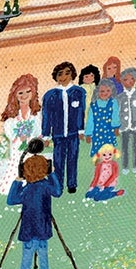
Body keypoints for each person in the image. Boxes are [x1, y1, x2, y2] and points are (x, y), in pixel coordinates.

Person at [7, 149, 64, 269]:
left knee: (25, 265)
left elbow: (11, 200)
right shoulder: (45, 186)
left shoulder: (27, 189)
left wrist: (18, 181)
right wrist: (52, 174)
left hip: (28, 233)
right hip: (43, 231)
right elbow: (58, 192)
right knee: (44, 264)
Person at [41, 61, 86, 194]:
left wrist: (81, 129)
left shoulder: (79, 92)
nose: (64, 77)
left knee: (73, 157)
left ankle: (72, 183)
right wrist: (46, 135)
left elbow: (80, 112)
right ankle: (58, 184)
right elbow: (47, 116)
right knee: (58, 160)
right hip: (58, 134)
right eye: (60, 74)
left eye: (67, 73)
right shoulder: (50, 95)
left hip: (73, 133)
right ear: (56, 77)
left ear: (72, 75)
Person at [0, 73, 42, 196]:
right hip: (17, 145)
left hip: (32, 144)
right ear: (15, 95)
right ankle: (15, 187)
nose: (24, 96)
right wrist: (17, 137)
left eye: (28, 92)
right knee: (17, 163)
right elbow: (8, 128)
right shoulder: (13, 113)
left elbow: (39, 128)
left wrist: (31, 137)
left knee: (32, 164)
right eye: (20, 93)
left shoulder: (36, 112)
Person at [117, 66, 136, 174]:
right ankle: (125, 166)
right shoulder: (119, 97)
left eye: (131, 79)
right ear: (122, 81)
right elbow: (117, 112)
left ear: (135, 80)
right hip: (123, 126)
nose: (129, 82)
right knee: (124, 146)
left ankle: (135, 165)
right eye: (125, 80)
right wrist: (116, 125)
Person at [86, 75, 120, 158]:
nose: (105, 93)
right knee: (97, 153)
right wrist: (88, 134)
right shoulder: (93, 105)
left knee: (108, 152)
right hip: (97, 133)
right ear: (97, 92)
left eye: (108, 91)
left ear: (112, 91)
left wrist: (116, 127)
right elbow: (90, 120)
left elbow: (115, 116)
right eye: (102, 91)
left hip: (109, 131)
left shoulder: (113, 102)